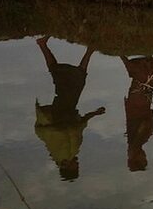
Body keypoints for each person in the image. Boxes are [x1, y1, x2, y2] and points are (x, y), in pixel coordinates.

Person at [34, 36, 105, 181]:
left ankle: (89, 50)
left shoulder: (61, 153)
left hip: (61, 110)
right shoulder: (69, 153)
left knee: (71, 79)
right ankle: (89, 50)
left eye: (75, 167)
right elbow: (80, 126)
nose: (77, 164)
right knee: (75, 80)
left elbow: (51, 130)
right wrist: (95, 113)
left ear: (67, 168)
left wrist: (64, 126)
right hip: (68, 108)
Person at [115, 54, 153, 171]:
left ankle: (123, 56)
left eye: (143, 159)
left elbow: (144, 125)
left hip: (137, 107)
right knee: (147, 80)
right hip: (140, 106)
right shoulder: (135, 145)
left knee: (143, 80)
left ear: (136, 158)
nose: (145, 155)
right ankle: (144, 59)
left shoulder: (136, 145)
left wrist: (151, 124)